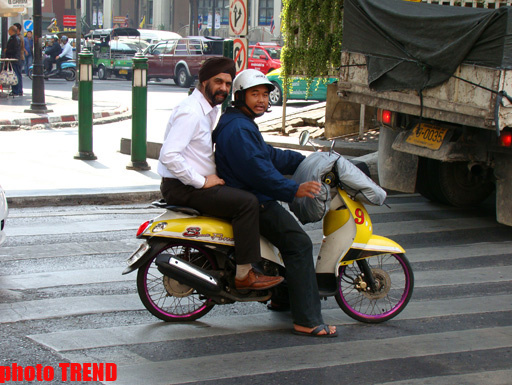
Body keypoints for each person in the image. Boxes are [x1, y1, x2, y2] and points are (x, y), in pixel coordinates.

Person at [212, 69, 338, 338]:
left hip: (253, 193)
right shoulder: (238, 128)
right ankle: (307, 319)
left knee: (285, 246)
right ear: (239, 96)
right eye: (255, 94)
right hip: (255, 198)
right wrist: (293, 189)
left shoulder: (241, 122)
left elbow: (269, 156)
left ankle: (282, 298)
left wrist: (303, 160)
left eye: (266, 95)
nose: (261, 100)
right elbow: (259, 172)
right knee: (299, 244)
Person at [158, 57, 284, 291]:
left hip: (189, 184)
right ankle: (245, 275)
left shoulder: (208, 110)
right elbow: (169, 155)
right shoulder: (192, 112)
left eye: (228, 84)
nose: (224, 89)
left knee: (240, 195)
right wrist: (202, 181)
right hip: (183, 187)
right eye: (218, 82)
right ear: (204, 81)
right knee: (247, 203)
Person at [4, 25, 23, 97]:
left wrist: (7, 50)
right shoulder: (14, 38)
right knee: (16, 74)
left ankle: (16, 91)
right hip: (15, 59)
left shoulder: (15, 39)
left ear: (12, 31)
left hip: (14, 59)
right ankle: (17, 90)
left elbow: (15, 50)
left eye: (9, 30)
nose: (8, 32)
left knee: (15, 75)